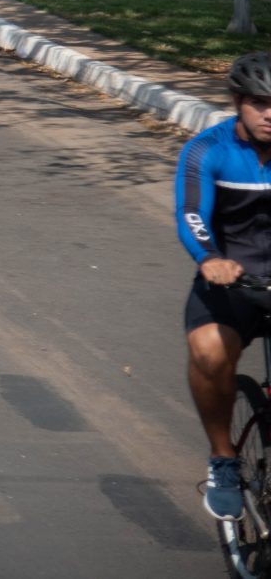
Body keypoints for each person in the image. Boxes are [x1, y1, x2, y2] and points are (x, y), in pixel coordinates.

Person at [181, 53, 271, 522]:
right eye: (260, 103)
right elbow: (191, 214)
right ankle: (223, 459)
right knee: (210, 352)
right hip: (232, 281)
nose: (270, 114)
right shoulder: (208, 150)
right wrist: (210, 259)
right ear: (238, 101)